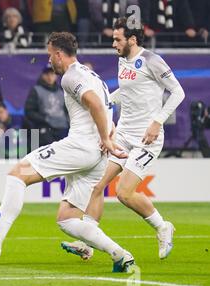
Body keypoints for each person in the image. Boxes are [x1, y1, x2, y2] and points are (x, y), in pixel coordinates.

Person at [0, 32, 136, 273]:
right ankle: (120, 254)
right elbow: (105, 109)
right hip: (97, 154)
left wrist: (105, 137)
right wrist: (107, 137)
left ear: (60, 54)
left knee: (17, 174)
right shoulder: (93, 76)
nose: (49, 61)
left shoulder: (71, 77)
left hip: (81, 146)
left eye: (50, 55)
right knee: (68, 219)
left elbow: (94, 103)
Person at [63, 17, 185, 261]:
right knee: (97, 186)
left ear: (132, 39)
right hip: (123, 136)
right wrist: (106, 107)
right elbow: (126, 92)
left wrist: (157, 121)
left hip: (147, 139)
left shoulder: (152, 60)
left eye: (117, 39)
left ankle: (163, 227)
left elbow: (178, 92)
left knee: (124, 193)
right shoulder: (122, 61)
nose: (113, 44)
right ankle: (87, 241)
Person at [24, 63, 69, 147]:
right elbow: (29, 111)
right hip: (46, 129)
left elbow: (68, 110)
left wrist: (68, 121)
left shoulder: (62, 91)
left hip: (63, 128)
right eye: (47, 74)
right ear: (42, 75)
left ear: (56, 76)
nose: (49, 77)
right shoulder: (36, 90)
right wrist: (45, 119)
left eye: (52, 74)